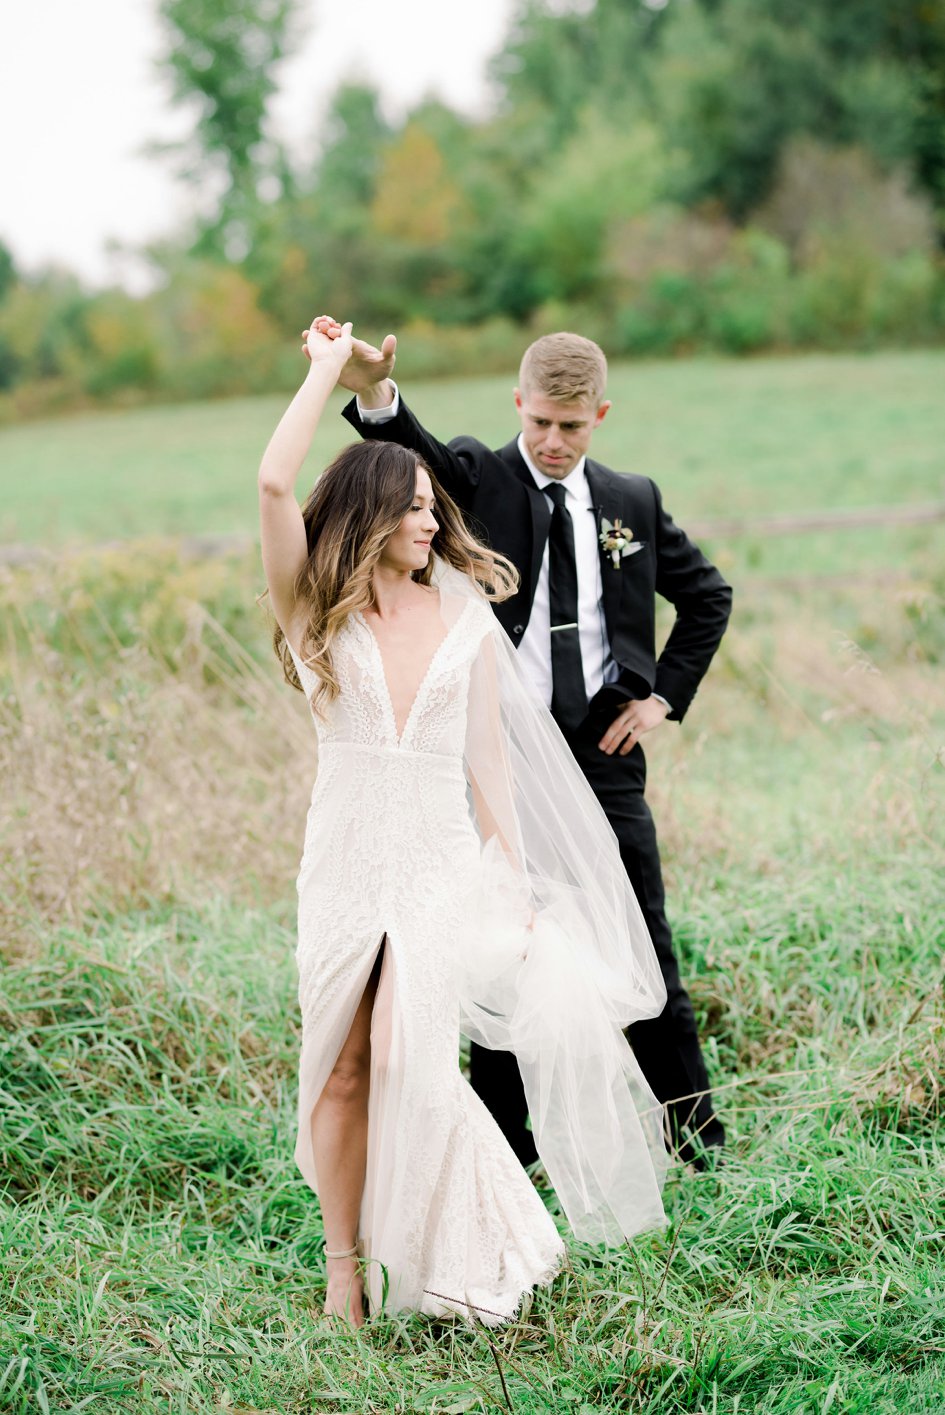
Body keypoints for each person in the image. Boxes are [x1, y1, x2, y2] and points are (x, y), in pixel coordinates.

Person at [260, 318, 669, 1328]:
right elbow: (275, 486)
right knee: (343, 1066)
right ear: (365, 518)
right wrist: (324, 372)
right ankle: (345, 1265)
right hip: (348, 854)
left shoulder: (463, 619)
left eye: (430, 510)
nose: (431, 524)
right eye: (409, 511)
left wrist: (517, 879)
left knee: (411, 1062)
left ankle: (466, 1242)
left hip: (439, 860)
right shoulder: (317, 607)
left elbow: (489, 759)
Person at [314, 318, 733, 1170]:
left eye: (570, 426)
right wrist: (371, 393)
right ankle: (509, 1148)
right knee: (498, 940)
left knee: (640, 937)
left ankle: (695, 1139)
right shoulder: (478, 476)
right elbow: (410, 450)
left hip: (603, 754)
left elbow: (709, 597)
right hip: (494, 757)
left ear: (600, 417)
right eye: (539, 420)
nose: (550, 440)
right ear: (518, 404)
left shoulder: (631, 502)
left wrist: (660, 699)